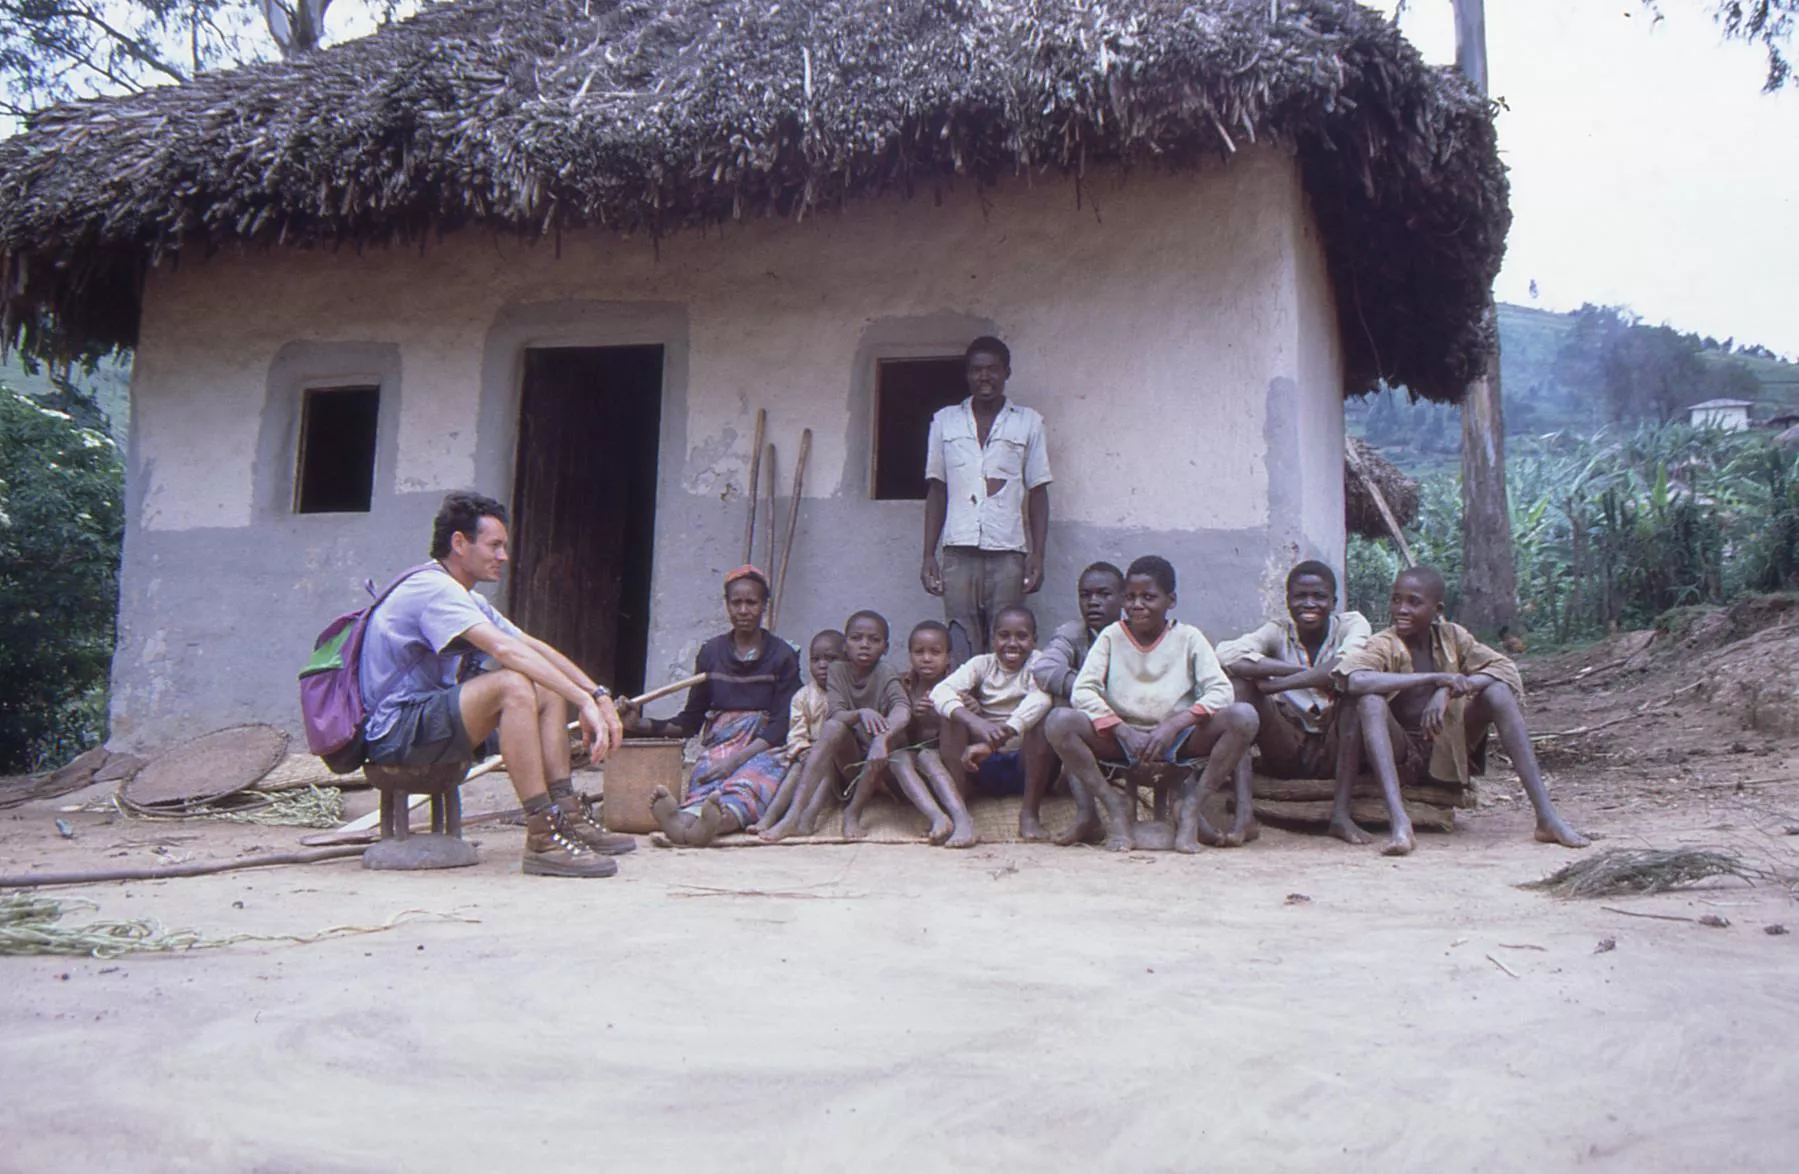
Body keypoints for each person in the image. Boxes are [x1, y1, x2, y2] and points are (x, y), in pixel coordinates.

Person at [358, 490, 631, 879]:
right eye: (494, 545)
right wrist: (584, 703)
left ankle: (566, 811)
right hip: (395, 731)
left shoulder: (463, 595)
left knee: (545, 687)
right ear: (459, 543)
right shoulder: (433, 589)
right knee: (512, 685)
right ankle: (543, 835)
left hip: (424, 720)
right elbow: (504, 649)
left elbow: (530, 646)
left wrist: (596, 695)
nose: (503, 556)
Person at [1333, 565, 1590, 856]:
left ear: (1437, 609)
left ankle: (1546, 816)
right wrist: (1434, 678)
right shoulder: (1384, 642)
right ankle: (1400, 822)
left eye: (1414, 602)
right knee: (1369, 700)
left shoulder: (1453, 637)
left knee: (1498, 691)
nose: (1401, 609)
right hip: (1401, 754)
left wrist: (1450, 689)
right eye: (1396, 600)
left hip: (1447, 748)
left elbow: (1504, 667)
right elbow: (1355, 679)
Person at [1045, 556, 1258, 853]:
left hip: (1179, 739)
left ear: (1171, 600)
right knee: (1059, 721)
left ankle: (1192, 807)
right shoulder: (1111, 636)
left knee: (1244, 716)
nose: (1137, 605)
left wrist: (1174, 724)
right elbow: (1083, 690)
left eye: (1148, 597)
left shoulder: (1189, 637)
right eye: (1130, 597)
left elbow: (1221, 691)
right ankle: (1113, 805)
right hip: (1121, 738)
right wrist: (1122, 730)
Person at [625, 567, 801, 847]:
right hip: (722, 743)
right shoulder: (711, 653)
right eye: (736, 602)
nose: (743, 610)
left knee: (748, 785)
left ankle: (714, 823)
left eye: (751, 603)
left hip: (765, 746)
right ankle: (682, 822)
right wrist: (638, 724)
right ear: (727, 605)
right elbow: (690, 721)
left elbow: (782, 724)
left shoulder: (783, 655)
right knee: (706, 782)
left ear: (764, 606)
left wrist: (736, 760)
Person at [1217, 560, 1371, 845]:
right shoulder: (1278, 630)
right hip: (1289, 746)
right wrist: (1302, 672)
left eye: (1319, 597)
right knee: (1240, 689)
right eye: (1300, 596)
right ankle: (1244, 817)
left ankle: (1340, 816)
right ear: (1288, 600)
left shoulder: (1352, 624)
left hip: (1337, 745)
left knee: (1356, 700)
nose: (1309, 604)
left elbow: (1347, 665)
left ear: (1334, 601)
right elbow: (1226, 655)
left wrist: (1280, 683)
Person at [920, 336, 1053, 661]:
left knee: (1006, 637)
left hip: (1008, 552)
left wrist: (1037, 554)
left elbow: (1038, 491)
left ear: (1007, 373)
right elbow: (937, 490)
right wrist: (928, 555)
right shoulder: (944, 421)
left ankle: (1001, 695)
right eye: (977, 370)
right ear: (967, 374)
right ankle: (964, 693)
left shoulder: (1029, 422)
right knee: (960, 638)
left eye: (993, 369)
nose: (984, 377)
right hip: (957, 550)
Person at [758, 610, 913, 842]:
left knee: (881, 747)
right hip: (852, 763)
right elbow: (837, 714)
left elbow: (902, 708)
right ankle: (793, 817)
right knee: (832, 727)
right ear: (845, 646)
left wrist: (883, 739)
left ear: (885, 648)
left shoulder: (885, 672)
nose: (864, 645)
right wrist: (860, 713)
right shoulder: (838, 671)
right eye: (856, 638)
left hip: (884, 761)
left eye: (874, 640)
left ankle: (853, 814)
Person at [931, 605, 1055, 844]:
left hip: (1026, 763)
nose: (1012, 643)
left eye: (1022, 636)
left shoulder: (1040, 664)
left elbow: (1041, 699)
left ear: (1035, 640)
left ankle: (1029, 813)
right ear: (992, 638)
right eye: (1004, 635)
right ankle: (960, 811)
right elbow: (940, 691)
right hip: (978, 763)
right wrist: (976, 723)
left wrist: (1001, 736)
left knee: (1044, 719)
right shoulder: (981, 664)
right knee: (951, 716)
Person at [839, 620, 959, 845]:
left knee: (928, 756)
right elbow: (899, 734)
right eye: (919, 652)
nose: (926, 658)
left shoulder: (959, 686)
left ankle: (955, 815)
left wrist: (951, 711)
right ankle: (937, 817)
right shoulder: (903, 685)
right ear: (909, 655)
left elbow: (965, 731)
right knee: (898, 757)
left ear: (948, 657)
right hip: (907, 777)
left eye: (935, 652)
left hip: (950, 773)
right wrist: (915, 716)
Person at [748, 629, 844, 835]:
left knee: (827, 766)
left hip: (839, 761)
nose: (822, 665)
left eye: (831, 659)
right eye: (815, 659)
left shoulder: (848, 694)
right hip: (808, 752)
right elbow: (796, 731)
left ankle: (807, 819)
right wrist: (802, 750)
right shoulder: (803, 696)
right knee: (794, 772)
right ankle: (769, 818)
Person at [1029, 562, 1125, 705]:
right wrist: (1087, 689)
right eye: (1085, 595)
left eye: (1104, 594)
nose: (1093, 602)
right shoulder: (1073, 633)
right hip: (1089, 710)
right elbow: (1044, 669)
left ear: (1124, 598)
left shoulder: (1134, 633)